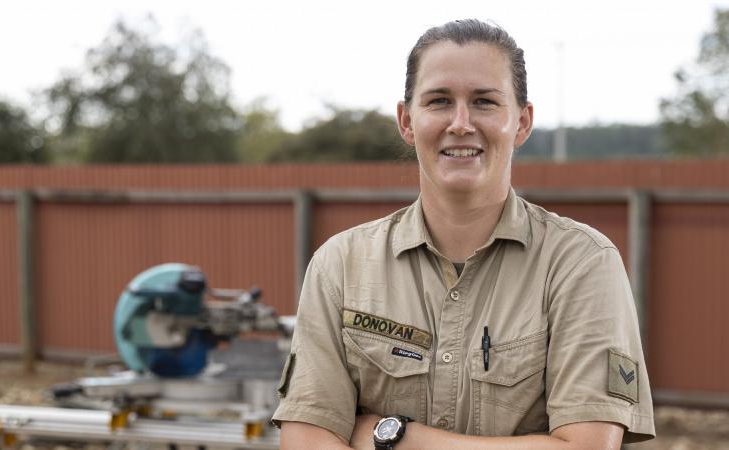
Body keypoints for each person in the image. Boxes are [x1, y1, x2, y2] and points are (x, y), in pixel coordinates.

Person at [272, 19, 655, 449]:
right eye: (439, 101)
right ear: (407, 121)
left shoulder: (581, 263)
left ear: (522, 122)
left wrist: (396, 438)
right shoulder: (340, 266)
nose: (460, 123)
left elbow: (586, 447)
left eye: (484, 102)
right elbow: (305, 439)